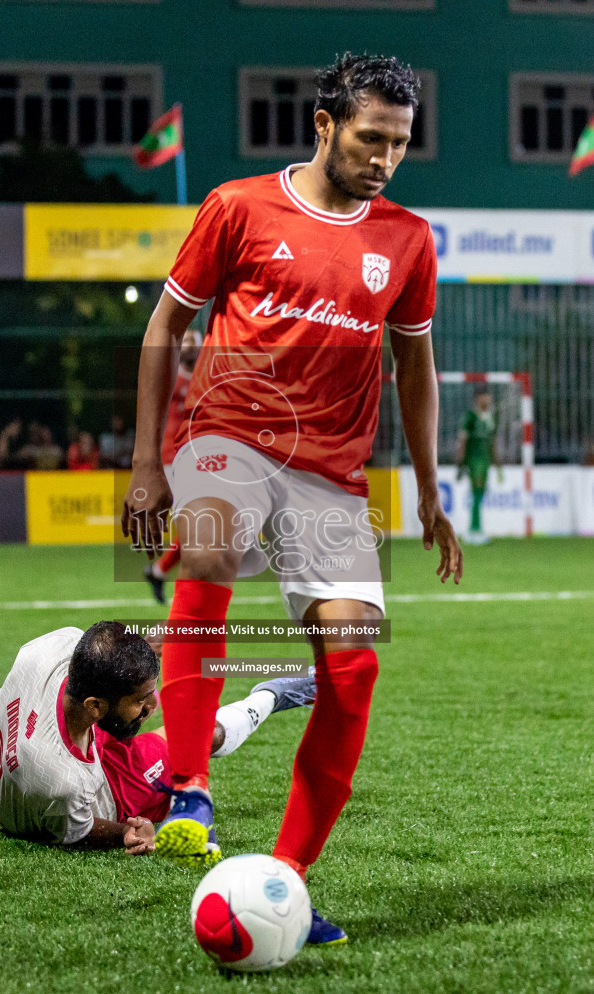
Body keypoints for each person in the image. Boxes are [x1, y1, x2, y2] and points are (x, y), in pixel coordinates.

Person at [122, 53, 463, 944]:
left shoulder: (407, 240)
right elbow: (166, 326)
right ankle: (187, 785)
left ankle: (284, 879)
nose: (385, 156)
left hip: (332, 476)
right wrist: (145, 464)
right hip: (225, 434)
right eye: (369, 137)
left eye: (399, 142)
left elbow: (414, 365)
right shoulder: (237, 205)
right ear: (323, 125)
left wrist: (428, 490)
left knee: (351, 671)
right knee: (205, 549)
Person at [0, 621, 317, 864]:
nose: (153, 705)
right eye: (141, 699)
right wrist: (126, 833)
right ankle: (273, 694)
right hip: (90, 781)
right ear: (96, 706)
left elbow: (94, 651)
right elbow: (78, 833)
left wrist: (138, 650)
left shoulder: (51, 652)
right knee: (197, 738)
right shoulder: (66, 784)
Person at [143, 328, 202, 604]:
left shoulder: (206, 377)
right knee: (194, 529)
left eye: (195, 341)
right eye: (186, 341)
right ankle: (182, 593)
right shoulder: (170, 376)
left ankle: (158, 571)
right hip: (172, 458)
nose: (190, 346)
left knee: (198, 530)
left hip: (199, 460)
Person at [456, 387, 501, 544]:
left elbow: (493, 440)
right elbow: (463, 439)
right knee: (477, 491)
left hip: (486, 460)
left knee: (480, 492)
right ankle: (474, 530)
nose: (487, 400)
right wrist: (461, 461)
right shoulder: (470, 416)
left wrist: (497, 462)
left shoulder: (492, 417)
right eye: (484, 397)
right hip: (474, 459)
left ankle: (476, 528)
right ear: (478, 399)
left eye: (489, 397)